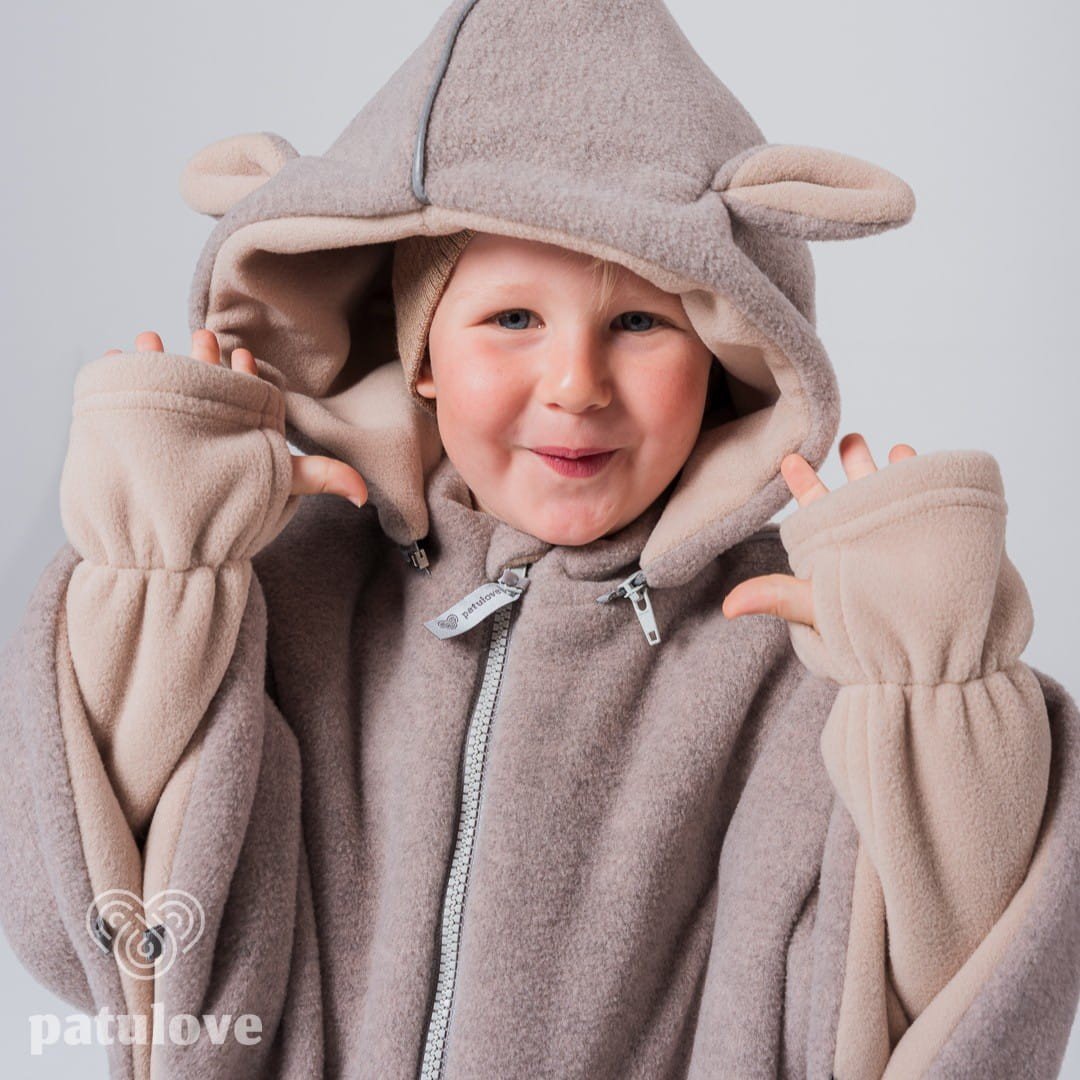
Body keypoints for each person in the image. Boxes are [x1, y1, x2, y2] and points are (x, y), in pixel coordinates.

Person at [2, 1, 1079, 1078]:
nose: (576, 385)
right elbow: (84, 936)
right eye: (513, 319)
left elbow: (963, 1038)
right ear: (421, 355)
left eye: (640, 322)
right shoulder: (287, 591)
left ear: (724, 354)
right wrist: (155, 569)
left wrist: (939, 692)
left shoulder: (791, 655)